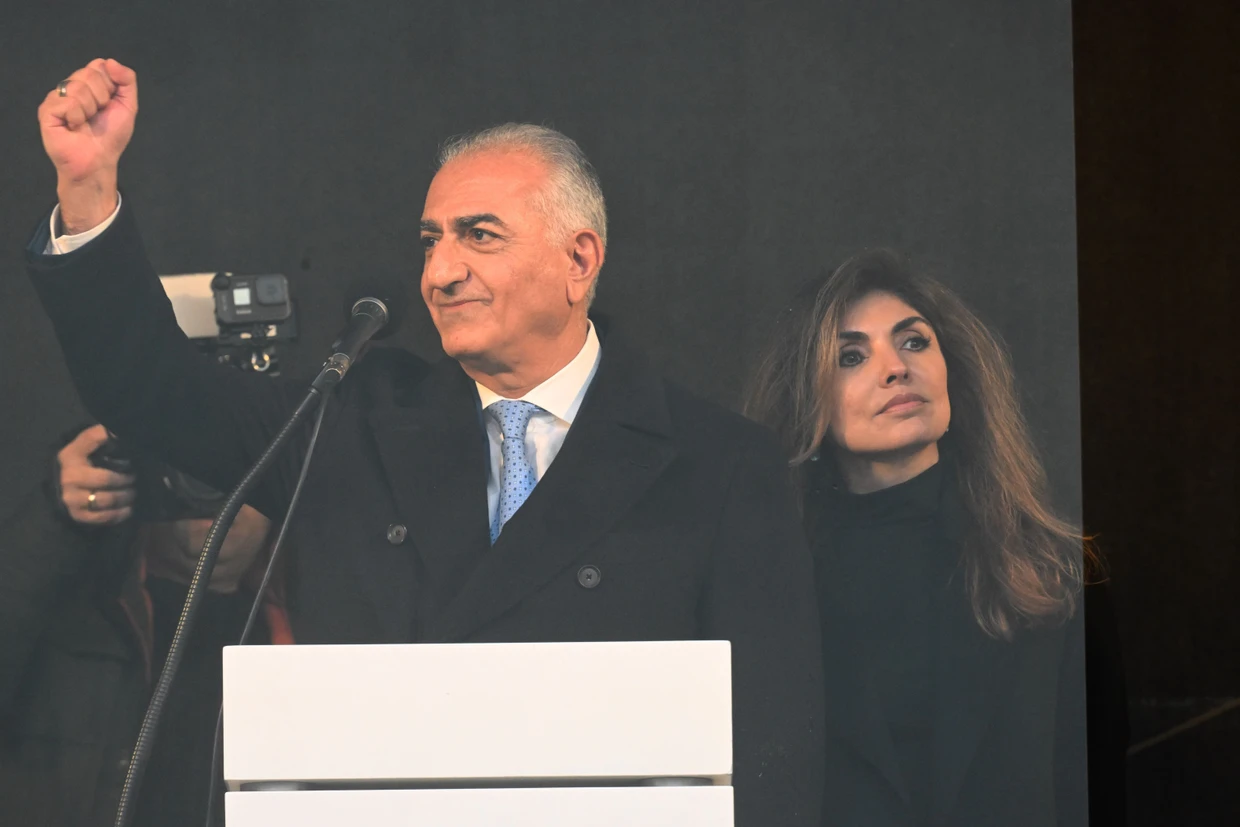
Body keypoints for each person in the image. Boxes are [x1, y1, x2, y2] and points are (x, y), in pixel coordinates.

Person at [24, 58, 825, 826]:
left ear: (579, 259)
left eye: (479, 236)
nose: (439, 271)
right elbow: (155, 390)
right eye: (430, 240)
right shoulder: (354, 420)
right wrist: (88, 191)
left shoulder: (719, 464)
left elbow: (771, 757)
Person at [745, 250, 1091, 827]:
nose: (896, 368)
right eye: (851, 356)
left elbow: (1089, 784)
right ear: (809, 395)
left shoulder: (1051, 569)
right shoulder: (766, 580)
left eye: (913, 342)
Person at [0, 424, 286, 827]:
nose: (220, 494)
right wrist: (54, 516)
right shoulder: (72, 610)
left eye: (244, 474)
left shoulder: (313, 637)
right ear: (149, 479)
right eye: (195, 471)